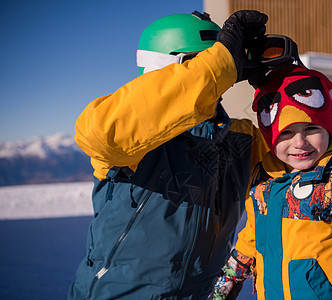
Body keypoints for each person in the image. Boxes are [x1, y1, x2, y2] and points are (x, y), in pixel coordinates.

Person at [68, 10, 271, 299]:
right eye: (200, 65)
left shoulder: (241, 138)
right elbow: (101, 134)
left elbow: (296, 165)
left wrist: (283, 82)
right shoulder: (131, 140)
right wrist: (217, 66)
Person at [210, 66, 332, 299]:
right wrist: (232, 275)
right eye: (286, 133)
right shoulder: (265, 178)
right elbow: (254, 233)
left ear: (328, 129)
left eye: (311, 128)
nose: (300, 142)